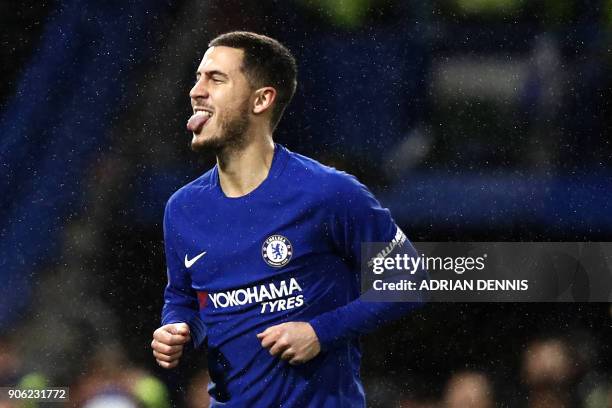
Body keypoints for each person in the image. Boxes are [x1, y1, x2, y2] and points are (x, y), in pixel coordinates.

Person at [151, 31, 423, 407]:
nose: (196, 90)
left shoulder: (328, 192)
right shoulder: (183, 208)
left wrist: (320, 331)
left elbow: (409, 277)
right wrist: (177, 327)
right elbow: (183, 297)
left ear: (261, 99)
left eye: (215, 79)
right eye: (198, 78)